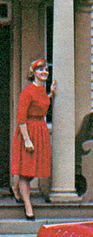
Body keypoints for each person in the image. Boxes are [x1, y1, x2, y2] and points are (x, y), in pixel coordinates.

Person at [10, 59, 55, 220]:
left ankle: (15, 188)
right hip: (28, 131)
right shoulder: (27, 92)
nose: (44, 72)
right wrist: (27, 140)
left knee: (35, 168)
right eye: (40, 69)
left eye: (46, 69)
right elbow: (21, 118)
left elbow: (42, 103)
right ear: (33, 72)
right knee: (26, 170)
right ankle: (28, 206)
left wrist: (50, 94)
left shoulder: (42, 91)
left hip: (40, 130)